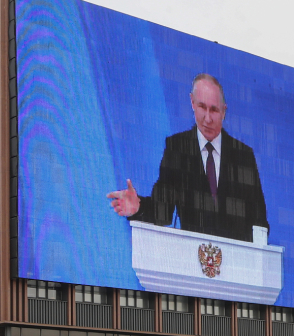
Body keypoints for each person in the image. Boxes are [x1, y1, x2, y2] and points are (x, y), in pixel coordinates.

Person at [107, 73, 269, 243]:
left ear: (224, 112)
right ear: (192, 103)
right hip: (192, 261)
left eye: (214, 110)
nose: (207, 118)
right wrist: (137, 208)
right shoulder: (178, 149)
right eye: (202, 107)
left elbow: (259, 222)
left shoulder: (243, 156)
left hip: (236, 264)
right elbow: (162, 212)